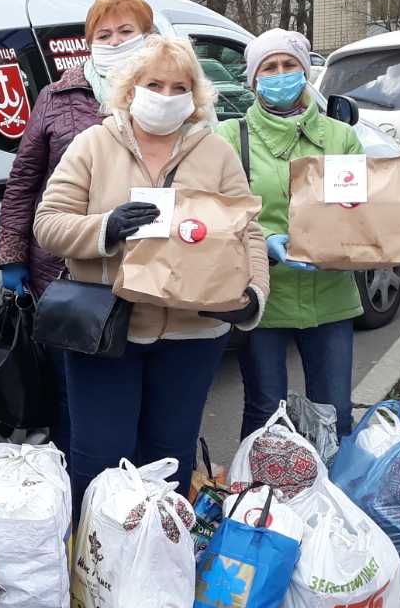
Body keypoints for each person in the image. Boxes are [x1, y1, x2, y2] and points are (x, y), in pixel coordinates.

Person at [33, 36, 268, 502]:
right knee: (101, 457)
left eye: (178, 86)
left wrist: (253, 296)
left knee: (169, 457)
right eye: (153, 83)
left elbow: (248, 233)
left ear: (195, 96)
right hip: (107, 330)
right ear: (130, 88)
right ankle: (96, 564)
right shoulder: (93, 144)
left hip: (192, 334)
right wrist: (106, 228)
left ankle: (161, 554)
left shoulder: (216, 151)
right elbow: (48, 224)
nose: (165, 95)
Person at [0, 0, 152, 447]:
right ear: (88, 42)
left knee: (143, 390)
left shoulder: (167, 93)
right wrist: (12, 257)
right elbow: (24, 179)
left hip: (149, 271)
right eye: (104, 35)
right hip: (66, 271)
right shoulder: (58, 96)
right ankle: (79, 491)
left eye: (126, 32)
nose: (115, 41)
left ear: (147, 37)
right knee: (73, 395)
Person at [216, 28, 363, 441]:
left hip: (330, 293)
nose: (280, 75)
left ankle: (331, 496)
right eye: (269, 67)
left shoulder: (340, 137)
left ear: (305, 72)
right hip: (262, 295)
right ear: (253, 79)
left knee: (335, 410)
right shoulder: (230, 138)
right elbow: (218, 212)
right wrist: (265, 242)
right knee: (266, 410)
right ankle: (262, 500)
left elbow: (362, 211)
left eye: (289, 66)